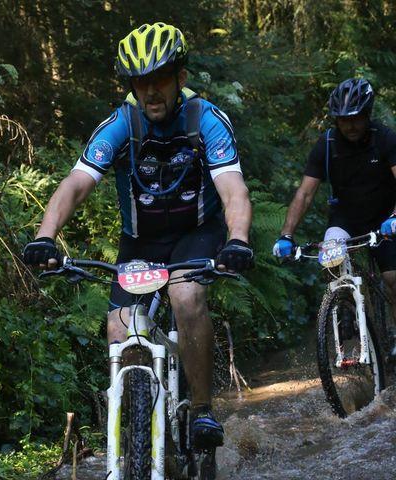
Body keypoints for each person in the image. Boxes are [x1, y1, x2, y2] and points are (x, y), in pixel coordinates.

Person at [23, 22, 253, 447]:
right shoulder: (121, 124)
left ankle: (202, 410)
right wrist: (45, 236)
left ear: (180, 78)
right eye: (140, 82)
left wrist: (238, 239)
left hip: (197, 233)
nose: (150, 91)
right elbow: (76, 184)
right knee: (119, 330)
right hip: (141, 242)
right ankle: (140, 440)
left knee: (186, 296)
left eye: (160, 79)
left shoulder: (206, 120)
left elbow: (233, 190)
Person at [273, 77, 396, 334]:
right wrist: (286, 235)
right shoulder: (327, 145)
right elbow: (305, 194)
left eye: (356, 118)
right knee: (331, 256)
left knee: (392, 278)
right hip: (346, 218)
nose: (350, 125)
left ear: (367, 114)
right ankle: (346, 305)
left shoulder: (385, 138)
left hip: (385, 217)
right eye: (343, 119)